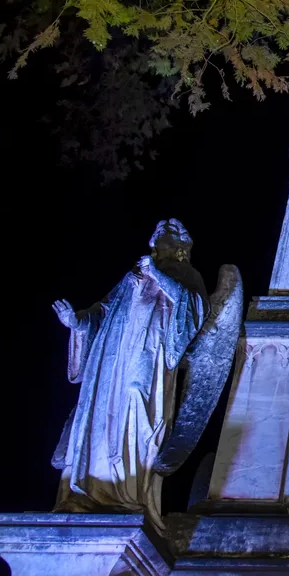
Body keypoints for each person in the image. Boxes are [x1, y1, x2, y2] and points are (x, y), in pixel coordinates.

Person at [51, 219, 207, 528]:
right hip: (113, 358)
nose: (161, 233)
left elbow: (194, 309)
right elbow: (104, 311)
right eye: (158, 231)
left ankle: (126, 494)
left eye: (169, 232)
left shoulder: (185, 275)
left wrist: (157, 274)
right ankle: (87, 493)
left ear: (180, 245)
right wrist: (78, 323)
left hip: (150, 356)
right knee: (102, 415)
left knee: (138, 409)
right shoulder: (132, 276)